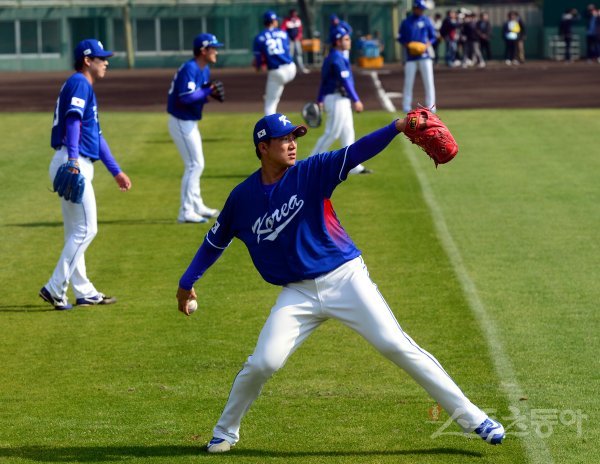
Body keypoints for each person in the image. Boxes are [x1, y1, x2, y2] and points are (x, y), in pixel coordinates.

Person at [175, 112, 506, 453]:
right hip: (298, 293)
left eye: (294, 137)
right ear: (263, 147)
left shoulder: (311, 171)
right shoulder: (242, 198)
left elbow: (356, 151)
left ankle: (473, 418)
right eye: (284, 139)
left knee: (395, 345)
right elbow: (214, 242)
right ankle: (225, 431)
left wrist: (396, 127)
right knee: (263, 363)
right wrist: (187, 283)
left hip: (345, 278)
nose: (293, 144)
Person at [39, 38, 132, 310]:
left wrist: (116, 171)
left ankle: (84, 291)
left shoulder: (83, 85)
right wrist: (72, 160)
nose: (106, 63)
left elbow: (97, 136)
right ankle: (55, 288)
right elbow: (73, 120)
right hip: (73, 160)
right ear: (87, 60)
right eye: (101, 58)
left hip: (73, 159)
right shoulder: (80, 82)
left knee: (75, 232)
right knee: (87, 229)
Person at [167, 33, 223, 224]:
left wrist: (208, 95)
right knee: (194, 165)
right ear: (203, 50)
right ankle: (185, 211)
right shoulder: (190, 68)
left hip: (189, 121)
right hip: (181, 121)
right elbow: (185, 97)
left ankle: (197, 205)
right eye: (213, 48)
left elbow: (197, 95)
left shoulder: (203, 68)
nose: (216, 52)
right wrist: (208, 91)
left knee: (197, 163)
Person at [309, 26, 370, 175]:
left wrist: (320, 99)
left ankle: (353, 166)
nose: (349, 41)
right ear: (337, 41)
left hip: (340, 99)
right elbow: (345, 82)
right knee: (332, 133)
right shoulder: (336, 58)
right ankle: (309, 165)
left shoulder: (334, 56)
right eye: (346, 39)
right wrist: (356, 100)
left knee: (348, 133)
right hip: (336, 100)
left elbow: (324, 81)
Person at [253, 10, 297, 115]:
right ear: (273, 21)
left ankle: (271, 123)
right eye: (276, 20)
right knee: (276, 92)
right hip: (291, 68)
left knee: (270, 103)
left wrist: (258, 66)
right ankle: (273, 94)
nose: (277, 22)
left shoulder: (259, 37)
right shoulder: (283, 33)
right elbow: (286, 50)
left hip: (277, 72)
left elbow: (258, 59)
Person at [398, 0, 437, 113]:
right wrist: (408, 45)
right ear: (414, 8)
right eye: (420, 8)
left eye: (422, 9)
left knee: (429, 82)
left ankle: (431, 107)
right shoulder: (406, 22)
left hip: (425, 56)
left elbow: (433, 37)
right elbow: (400, 37)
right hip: (411, 57)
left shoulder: (426, 20)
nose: (421, 11)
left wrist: (426, 45)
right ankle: (406, 106)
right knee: (408, 83)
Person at [281, 9, 309, 74]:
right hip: (290, 40)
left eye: (295, 14)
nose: (294, 15)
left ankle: (301, 68)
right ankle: (289, 69)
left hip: (297, 40)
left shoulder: (298, 20)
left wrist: (299, 37)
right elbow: (283, 30)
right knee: (290, 54)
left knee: (299, 53)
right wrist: (287, 38)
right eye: (293, 14)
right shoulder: (286, 21)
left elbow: (300, 30)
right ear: (290, 14)